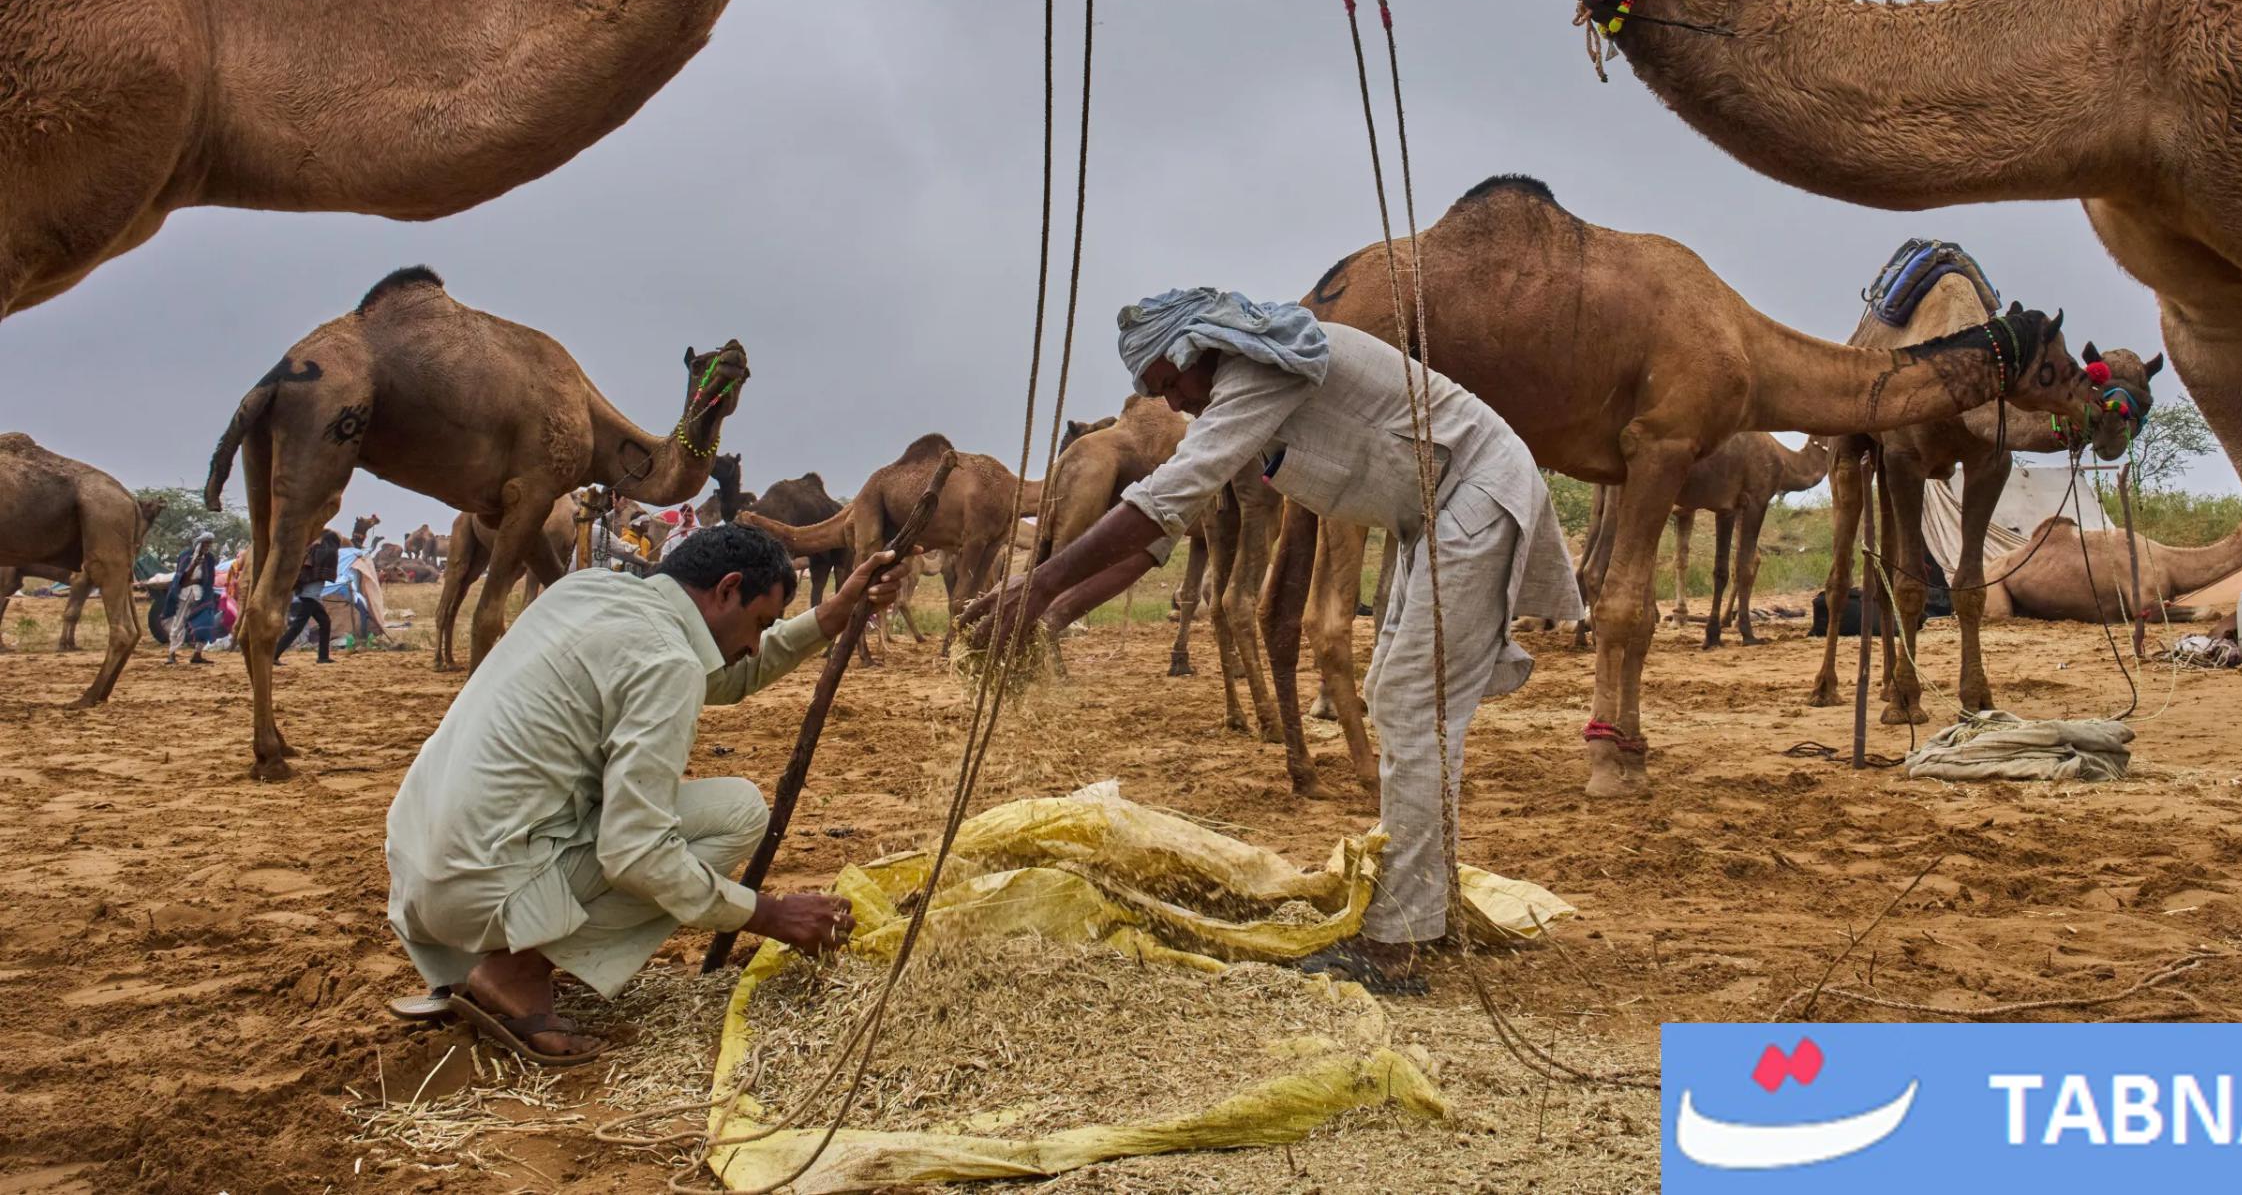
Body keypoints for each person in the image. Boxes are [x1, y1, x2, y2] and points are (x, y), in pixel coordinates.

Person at [961, 288, 1579, 994]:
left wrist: (1036, 586)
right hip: (1428, 518)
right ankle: (1423, 910)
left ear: (1197, 352)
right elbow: (1162, 530)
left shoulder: (1260, 371)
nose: (1174, 405)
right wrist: (1050, 615)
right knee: (1402, 702)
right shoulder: (1236, 400)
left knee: (1412, 708)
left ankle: (1397, 944)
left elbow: (1157, 505)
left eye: (1169, 385)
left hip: (1472, 494)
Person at [383, 523, 904, 1063]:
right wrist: (769, 915)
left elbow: (724, 674)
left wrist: (832, 615)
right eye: (758, 624)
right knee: (736, 814)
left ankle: (492, 957)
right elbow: (636, 853)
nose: (754, 645)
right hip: (480, 888)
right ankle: (515, 972)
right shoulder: (667, 661)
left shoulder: (587, 591)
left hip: (422, 874)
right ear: (727, 589)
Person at [275, 532, 338, 662]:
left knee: (325, 622)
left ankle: (323, 657)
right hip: (310, 596)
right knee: (297, 627)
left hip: (309, 595)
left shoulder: (313, 551)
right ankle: (274, 655)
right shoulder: (327, 552)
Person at [161, 535, 221, 665]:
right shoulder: (185, 556)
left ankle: (197, 654)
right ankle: (171, 654)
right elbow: (182, 578)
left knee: (206, 622)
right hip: (185, 593)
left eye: (209, 544)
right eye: (205, 543)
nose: (208, 546)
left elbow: (209, 579)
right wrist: (194, 564)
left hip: (201, 594)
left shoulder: (209, 558)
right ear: (199, 543)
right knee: (179, 623)